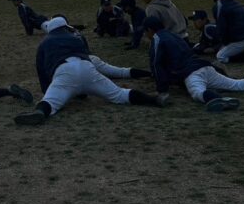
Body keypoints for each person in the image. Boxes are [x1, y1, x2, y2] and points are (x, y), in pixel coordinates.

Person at [13, 17, 161, 126]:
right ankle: (153, 99)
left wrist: (47, 90)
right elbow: (87, 54)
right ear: (65, 27)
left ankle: (40, 113)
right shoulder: (76, 37)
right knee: (119, 94)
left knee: (49, 102)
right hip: (86, 66)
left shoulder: (44, 43)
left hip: (64, 71)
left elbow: (42, 70)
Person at [142, 16, 244, 111]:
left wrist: (162, 89)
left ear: (149, 30)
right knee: (238, 84)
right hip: (205, 66)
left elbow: (157, 65)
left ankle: (219, 100)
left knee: (198, 93)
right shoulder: (173, 35)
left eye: (145, 32)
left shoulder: (157, 39)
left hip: (191, 72)